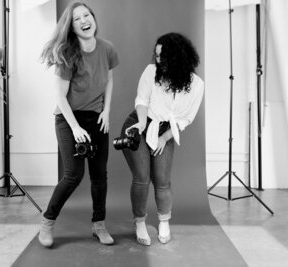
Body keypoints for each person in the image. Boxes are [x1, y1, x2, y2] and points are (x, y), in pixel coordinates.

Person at [39, 1, 119, 248]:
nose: (84, 20)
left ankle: (99, 225)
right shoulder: (68, 53)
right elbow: (60, 97)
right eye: (77, 19)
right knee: (73, 175)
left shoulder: (107, 48)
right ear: (71, 27)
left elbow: (109, 80)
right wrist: (75, 128)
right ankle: (48, 221)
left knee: (99, 176)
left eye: (87, 15)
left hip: (95, 118)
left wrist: (106, 112)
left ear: (93, 18)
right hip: (68, 119)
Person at [120, 32, 204, 246]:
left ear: (178, 57)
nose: (158, 61)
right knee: (141, 177)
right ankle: (139, 223)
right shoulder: (151, 72)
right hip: (139, 123)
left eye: (163, 57)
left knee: (162, 180)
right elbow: (141, 100)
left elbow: (184, 119)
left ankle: (164, 222)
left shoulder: (196, 85)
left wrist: (164, 138)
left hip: (165, 131)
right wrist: (140, 123)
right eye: (156, 56)